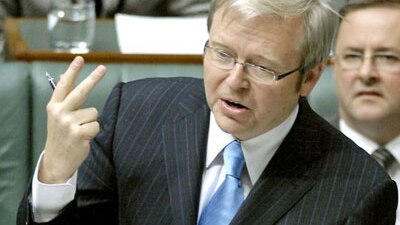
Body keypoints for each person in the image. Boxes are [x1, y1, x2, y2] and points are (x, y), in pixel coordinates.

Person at [17, 0, 397, 224]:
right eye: (222, 53)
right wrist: (56, 174)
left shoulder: (358, 191)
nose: (234, 81)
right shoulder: (133, 114)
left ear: (310, 77)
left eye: (262, 67)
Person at [330, 0, 400, 223]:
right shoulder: (287, 160)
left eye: (387, 57)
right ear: (333, 64)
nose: (367, 73)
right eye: (353, 56)